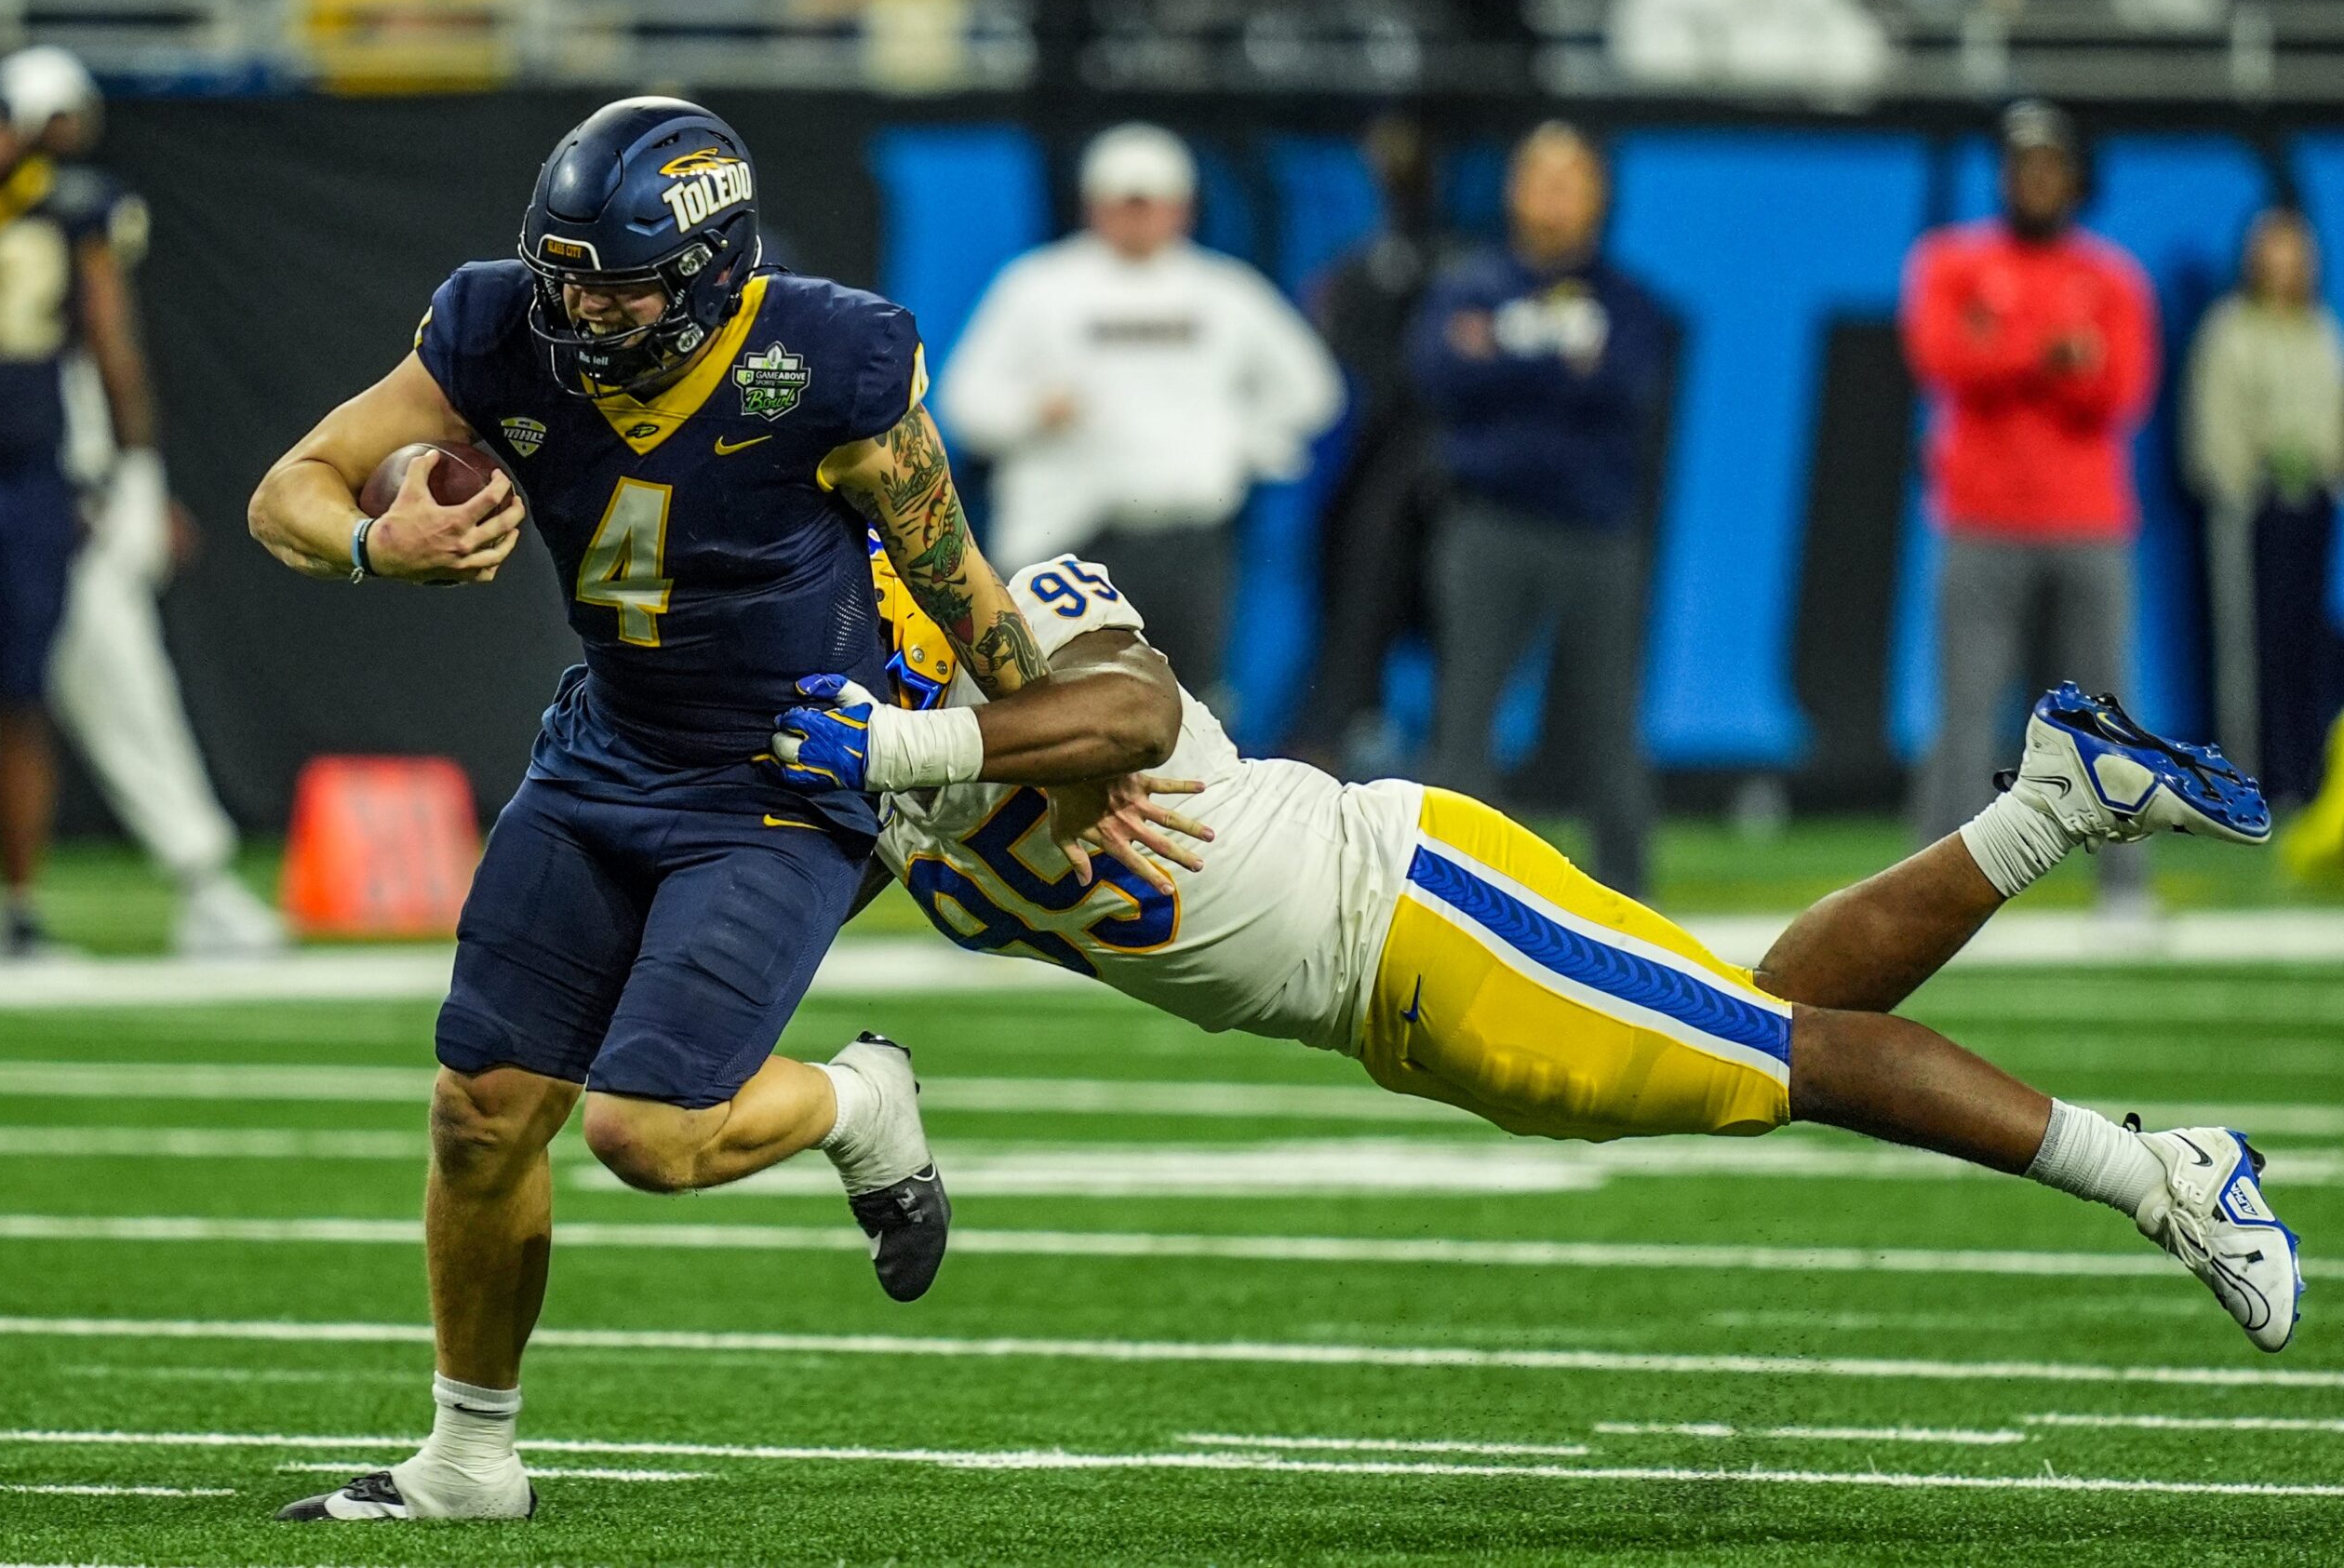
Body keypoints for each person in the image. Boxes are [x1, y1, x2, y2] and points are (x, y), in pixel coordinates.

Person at [774, 556, 2297, 1366]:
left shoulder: (1017, 626)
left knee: (1780, 1062)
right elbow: (768, 915)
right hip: (1392, 980)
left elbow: (1130, 712)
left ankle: (2165, 1176)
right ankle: (2054, 804)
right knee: (1768, 1017)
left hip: (1418, 911)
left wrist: (925, 743)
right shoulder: (874, 789)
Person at [251, 97, 1071, 1523]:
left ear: (708, 269)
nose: (579, 306)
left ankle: (859, 1101)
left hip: (786, 778)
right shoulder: (495, 327)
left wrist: (1054, 748)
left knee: (647, 1131)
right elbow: (292, 487)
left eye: (616, 281)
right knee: (480, 1109)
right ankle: (469, 1455)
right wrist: (381, 544)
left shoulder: (826, 360)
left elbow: (963, 586)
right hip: (605, 753)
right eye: (561, 272)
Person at [0, 44, 285, 959]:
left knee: (113, 689)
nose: (70, 134)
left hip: (68, 496)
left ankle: (200, 879)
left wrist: (133, 483)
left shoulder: (72, 217)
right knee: (4, 703)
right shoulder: (47, 218)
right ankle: (189, 880)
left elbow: (107, 356)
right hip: (36, 489)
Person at [935, 121, 1343, 701]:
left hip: (1190, 542)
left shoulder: (1223, 293)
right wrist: (1032, 412)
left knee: (1190, 703)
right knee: (1053, 699)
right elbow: (963, 402)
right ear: (1094, 206)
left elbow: (1312, 391)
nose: (1137, 218)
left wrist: (1244, 443)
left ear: (1182, 208)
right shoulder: (1038, 287)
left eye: (1150, 204)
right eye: (1123, 204)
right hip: (1069, 538)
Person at [1903, 100, 2160, 910]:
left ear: (2076, 178)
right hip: (1980, 518)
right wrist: (2052, 352)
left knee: (2104, 719)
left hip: (2087, 522)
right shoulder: (1951, 260)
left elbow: (2118, 389)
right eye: (2023, 166)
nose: (2036, 181)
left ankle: (2125, 888)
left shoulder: (2114, 276)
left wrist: (2005, 349)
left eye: (2051, 166)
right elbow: (1943, 359)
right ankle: (1932, 899)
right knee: (1967, 714)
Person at [1407, 122, 1668, 901]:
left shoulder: (1628, 299)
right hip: (1489, 522)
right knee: (1466, 712)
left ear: (1597, 194)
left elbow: (1625, 386)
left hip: (1596, 529)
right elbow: (1437, 374)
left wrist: (1506, 360)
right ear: (1513, 190)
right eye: (1539, 177)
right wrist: (1558, 366)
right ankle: (1450, 885)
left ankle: (1628, 891)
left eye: (1571, 178)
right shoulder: (1469, 284)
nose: (1554, 195)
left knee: (1606, 718)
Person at [0, 74, 156, 958]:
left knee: (22, 693)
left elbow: (112, 338)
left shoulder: (72, 212)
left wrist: (136, 466)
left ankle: (19, 904)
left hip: (35, 481)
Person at [1292, 114, 1450, 773]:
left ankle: (1446, 755)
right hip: (1370, 461)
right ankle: (1338, 733)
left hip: (1443, 469)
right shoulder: (1351, 272)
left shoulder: (1453, 261)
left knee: (1448, 615)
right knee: (1357, 601)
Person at [2185, 205, 2344, 810]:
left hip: (2316, 505)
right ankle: (2248, 779)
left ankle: (2303, 776)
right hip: (2255, 507)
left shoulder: (2320, 329)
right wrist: (2242, 482)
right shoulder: (2231, 329)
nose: (2285, 263)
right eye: (2274, 249)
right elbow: (2215, 423)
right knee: (2253, 646)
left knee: (2309, 643)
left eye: (2296, 251)